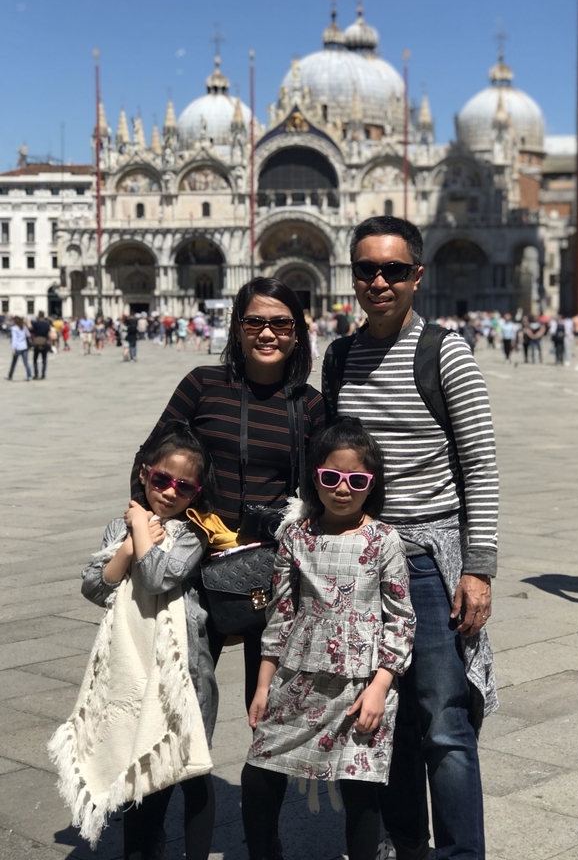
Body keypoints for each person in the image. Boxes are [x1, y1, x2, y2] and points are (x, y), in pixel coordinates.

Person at [323, 216, 498, 860]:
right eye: (367, 269)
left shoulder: (445, 351)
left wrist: (477, 569)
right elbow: (335, 459)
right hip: (362, 564)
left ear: (417, 277)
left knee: (446, 724)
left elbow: (479, 461)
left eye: (393, 270)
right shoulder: (338, 355)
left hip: (429, 563)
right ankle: (405, 845)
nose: (379, 281)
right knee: (383, 723)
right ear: (354, 277)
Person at [131, 278, 326, 704]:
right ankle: (187, 774)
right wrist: (146, 526)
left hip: (273, 568)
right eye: (254, 321)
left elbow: (323, 487)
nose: (267, 333)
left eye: (281, 323)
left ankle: (267, 774)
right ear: (237, 328)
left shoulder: (310, 405)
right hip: (194, 562)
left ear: (298, 333)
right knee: (179, 695)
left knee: (273, 702)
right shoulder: (203, 385)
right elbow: (150, 459)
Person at [241, 418, 415, 860]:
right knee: (260, 771)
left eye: (356, 479)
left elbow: (400, 621)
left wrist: (380, 687)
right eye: (330, 477)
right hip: (298, 678)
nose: (343, 489)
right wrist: (263, 684)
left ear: (371, 484)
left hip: (362, 687)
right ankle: (264, 852)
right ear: (314, 479)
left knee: (360, 789)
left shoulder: (384, 540)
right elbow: (280, 614)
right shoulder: (296, 535)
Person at [49, 420, 219, 860]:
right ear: (145, 473)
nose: (169, 492)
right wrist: (126, 544)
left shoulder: (195, 533)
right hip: (130, 662)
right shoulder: (118, 527)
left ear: (196, 494)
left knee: (190, 767)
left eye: (183, 487)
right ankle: (141, 849)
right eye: (161, 479)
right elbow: (95, 587)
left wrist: (140, 529)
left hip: (182, 671)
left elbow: (158, 575)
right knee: (135, 765)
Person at [7, 315, 32, 381]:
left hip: (17, 347)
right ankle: (29, 376)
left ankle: (10, 375)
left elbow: (14, 339)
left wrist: (13, 349)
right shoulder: (24, 327)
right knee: (26, 363)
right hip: (24, 346)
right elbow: (28, 335)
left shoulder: (14, 328)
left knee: (14, 363)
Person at [31, 310, 52, 379]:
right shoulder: (46, 324)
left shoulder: (35, 323)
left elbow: (32, 331)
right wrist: (50, 342)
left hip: (37, 342)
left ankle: (36, 374)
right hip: (44, 342)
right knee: (44, 359)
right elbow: (49, 333)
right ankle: (43, 374)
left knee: (35, 360)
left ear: (39, 315)